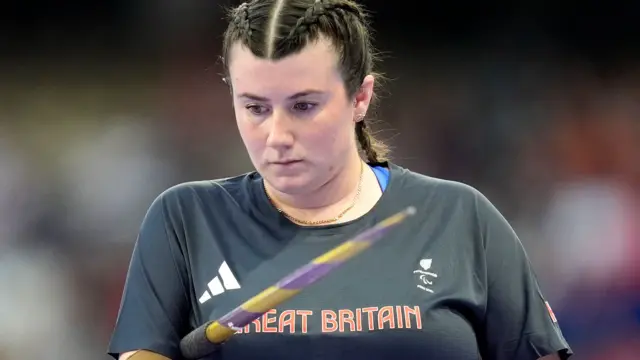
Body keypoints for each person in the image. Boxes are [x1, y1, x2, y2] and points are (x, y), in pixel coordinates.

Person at [107, 0, 573, 359]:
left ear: (360, 98)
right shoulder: (185, 220)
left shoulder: (461, 217)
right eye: (255, 108)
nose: (277, 135)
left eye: (304, 106)